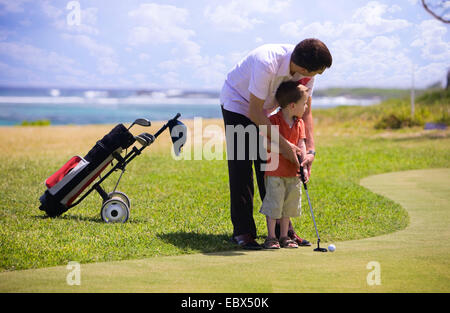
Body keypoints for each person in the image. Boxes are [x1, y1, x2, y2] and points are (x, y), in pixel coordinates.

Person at [220, 38, 332, 250]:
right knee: (242, 165)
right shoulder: (267, 62)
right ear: (304, 68)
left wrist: (310, 151)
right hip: (238, 103)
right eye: (316, 73)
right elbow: (254, 111)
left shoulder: (306, 74)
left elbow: (305, 110)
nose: (315, 77)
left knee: (272, 165)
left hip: (268, 110)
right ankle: (243, 232)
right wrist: (285, 145)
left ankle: (283, 232)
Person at [260, 81, 310, 249]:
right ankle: (271, 237)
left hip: (293, 172)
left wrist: (303, 160)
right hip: (275, 172)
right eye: (304, 103)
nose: (306, 107)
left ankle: (284, 236)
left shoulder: (300, 123)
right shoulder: (273, 121)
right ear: (292, 105)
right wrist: (285, 149)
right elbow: (264, 143)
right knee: (274, 204)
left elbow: (302, 143)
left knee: (289, 205)